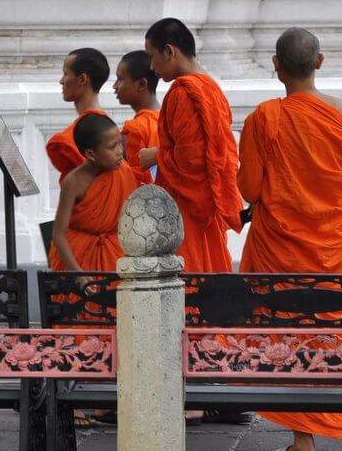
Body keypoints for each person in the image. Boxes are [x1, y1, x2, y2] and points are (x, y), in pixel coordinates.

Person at [237, 27, 342, 451]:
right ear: (320, 61)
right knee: (340, 332)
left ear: (276, 66)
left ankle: (304, 445)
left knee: (289, 336)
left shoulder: (265, 117)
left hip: (281, 249)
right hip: (330, 244)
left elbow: (249, 186)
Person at [140, 18, 243, 273]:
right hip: (206, 202)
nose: (152, 67)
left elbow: (191, 161)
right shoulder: (211, 87)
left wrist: (155, 155)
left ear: (170, 51)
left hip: (186, 209)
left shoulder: (183, 92)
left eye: (153, 57)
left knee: (188, 283)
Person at [49, 113, 138, 273]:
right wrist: (77, 273)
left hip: (116, 254)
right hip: (79, 257)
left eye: (119, 143)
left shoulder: (123, 171)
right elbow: (59, 234)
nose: (120, 151)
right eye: (112, 147)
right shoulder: (73, 182)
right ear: (91, 154)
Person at [46, 48, 110, 183]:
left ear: (82, 79)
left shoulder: (71, 139)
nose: (61, 81)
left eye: (65, 74)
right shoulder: (108, 126)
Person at [113, 50, 160, 184]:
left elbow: (133, 181)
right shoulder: (170, 117)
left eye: (120, 79)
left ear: (141, 84)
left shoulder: (135, 129)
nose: (115, 86)